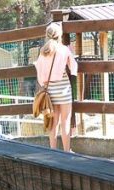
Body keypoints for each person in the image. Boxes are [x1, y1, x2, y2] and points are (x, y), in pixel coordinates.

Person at [34, 22, 77, 152]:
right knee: (65, 122)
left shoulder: (43, 51)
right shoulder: (64, 50)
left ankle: (53, 151)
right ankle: (66, 151)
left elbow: (40, 74)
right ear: (60, 35)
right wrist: (72, 53)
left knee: (53, 122)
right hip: (63, 88)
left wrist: (44, 84)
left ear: (47, 35)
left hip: (50, 90)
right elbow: (73, 67)